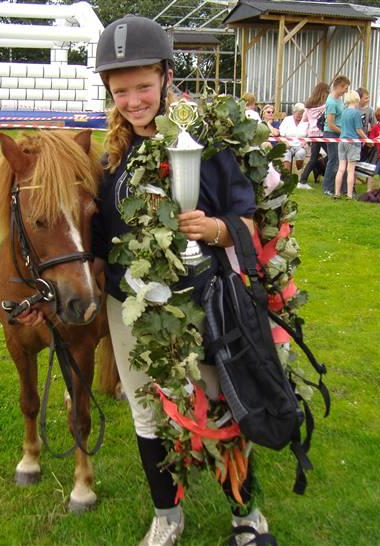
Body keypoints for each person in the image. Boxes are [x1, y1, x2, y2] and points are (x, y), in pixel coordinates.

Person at [92, 15, 268, 546]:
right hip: (131, 309)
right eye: (120, 91)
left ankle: (246, 515)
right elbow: (98, 237)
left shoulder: (207, 143)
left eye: (143, 86)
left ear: (167, 76)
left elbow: (250, 219)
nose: (133, 100)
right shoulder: (113, 161)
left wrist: (217, 228)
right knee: (147, 410)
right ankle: (167, 516)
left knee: (217, 404)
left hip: (204, 304)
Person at [334, 90, 367, 199]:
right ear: (356, 99)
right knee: (350, 170)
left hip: (342, 141)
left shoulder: (344, 112)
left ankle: (337, 193)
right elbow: (358, 130)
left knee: (341, 168)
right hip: (353, 142)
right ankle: (349, 194)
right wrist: (366, 138)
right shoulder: (357, 113)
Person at [322, 75, 350, 196]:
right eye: (345, 88)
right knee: (333, 160)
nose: (346, 91)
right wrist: (343, 132)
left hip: (339, 133)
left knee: (342, 161)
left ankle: (342, 188)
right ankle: (327, 188)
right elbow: (331, 124)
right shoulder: (331, 102)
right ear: (338, 86)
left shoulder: (339, 99)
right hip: (332, 133)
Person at [298, 82, 330, 188]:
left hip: (312, 134)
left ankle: (302, 180)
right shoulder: (326, 105)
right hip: (322, 133)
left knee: (313, 157)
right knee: (332, 156)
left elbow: (304, 120)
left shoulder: (308, 105)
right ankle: (328, 178)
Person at [278, 102, 308, 173]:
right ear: (294, 112)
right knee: (286, 155)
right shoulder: (287, 119)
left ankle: (298, 174)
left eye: (301, 114)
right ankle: (287, 177)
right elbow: (281, 134)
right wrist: (285, 143)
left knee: (300, 154)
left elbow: (309, 136)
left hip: (300, 146)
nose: (299, 116)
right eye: (298, 113)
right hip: (288, 145)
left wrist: (306, 142)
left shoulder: (306, 121)